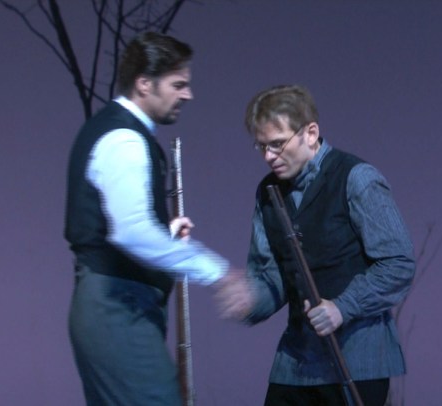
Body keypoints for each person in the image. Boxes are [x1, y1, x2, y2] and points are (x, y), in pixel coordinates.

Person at [64, 32, 250, 406]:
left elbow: (117, 225)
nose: (188, 95)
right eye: (178, 85)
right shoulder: (125, 139)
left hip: (112, 305)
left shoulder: (115, 131)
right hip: (117, 308)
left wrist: (164, 233)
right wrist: (218, 273)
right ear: (144, 84)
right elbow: (132, 232)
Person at [239, 85, 415, 406]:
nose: (268, 157)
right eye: (261, 146)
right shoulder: (267, 192)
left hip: (356, 361)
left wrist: (342, 307)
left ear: (310, 133)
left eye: (277, 144)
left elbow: (398, 264)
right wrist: (249, 300)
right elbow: (273, 277)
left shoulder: (356, 178)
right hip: (296, 361)